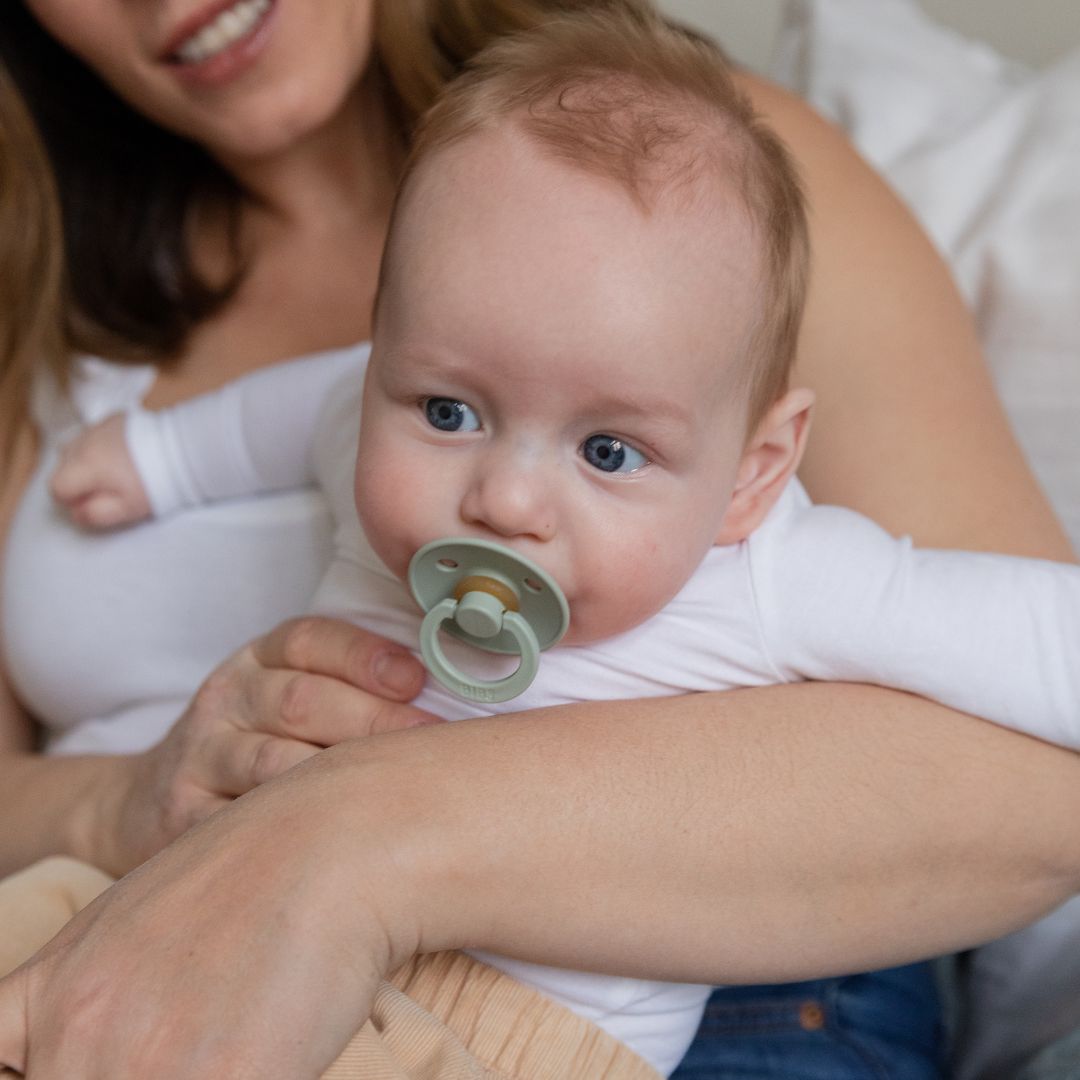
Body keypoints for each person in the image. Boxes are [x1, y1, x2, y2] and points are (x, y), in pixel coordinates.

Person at [0, 1, 1076, 1078]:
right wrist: (118, 795)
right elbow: (295, 413)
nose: (507, 502)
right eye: (449, 413)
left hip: (626, 1000)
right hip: (134, 913)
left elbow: (1038, 754)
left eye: (608, 451)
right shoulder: (40, 298)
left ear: (755, 471)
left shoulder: (716, 186)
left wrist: (352, 840)